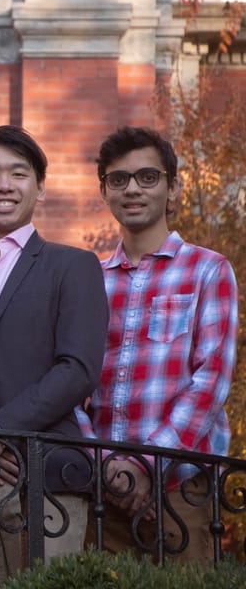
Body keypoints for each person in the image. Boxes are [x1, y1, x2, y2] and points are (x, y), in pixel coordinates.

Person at [0, 125, 107, 588]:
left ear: (41, 187)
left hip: (46, 474)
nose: (4, 185)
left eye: (18, 173)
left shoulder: (74, 266)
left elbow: (78, 369)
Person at [77, 126, 238, 561]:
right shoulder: (88, 280)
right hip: (103, 491)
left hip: (181, 490)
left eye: (148, 177)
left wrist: (146, 464)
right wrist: (108, 467)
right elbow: (71, 382)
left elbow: (211, 382)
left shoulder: (208, 270)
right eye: (118, 179)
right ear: (104, 191)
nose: (132, 189)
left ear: (173, 188)